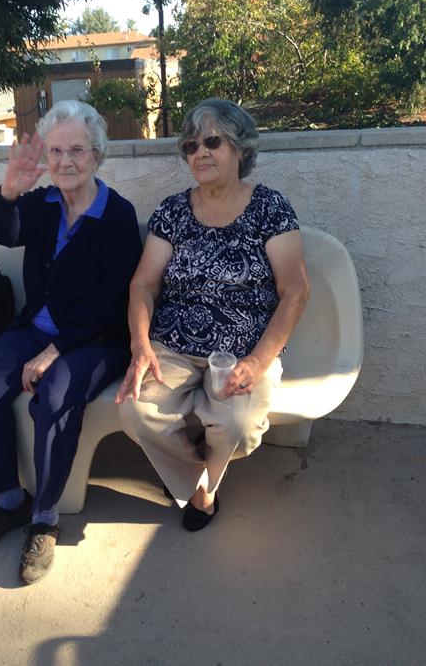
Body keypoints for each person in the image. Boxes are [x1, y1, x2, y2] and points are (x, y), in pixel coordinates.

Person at [0, 100, 142, 584]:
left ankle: (45, 518)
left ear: (97, 154)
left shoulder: (117, 215)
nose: (64, 161)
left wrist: (55, 351)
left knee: (55, 398)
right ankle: (9, 501)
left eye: (76, 150)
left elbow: (112, 298)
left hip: (97, 339)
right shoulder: (40, 204)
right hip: (35, 329)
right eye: (56, 151)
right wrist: (8, 193)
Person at [116, 98, 309, 532]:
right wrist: (140, 344)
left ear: (240, 147)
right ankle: (201, 483)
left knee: (238, 425)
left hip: (245, 348)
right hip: (174, 341)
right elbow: (143, 284)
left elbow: (295, 289)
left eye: (212, 141)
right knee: (134, 410)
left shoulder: (270, 208)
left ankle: (196, 481)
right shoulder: (172, 211)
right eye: (190, 146)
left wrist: (260, 361)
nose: (199, 152)